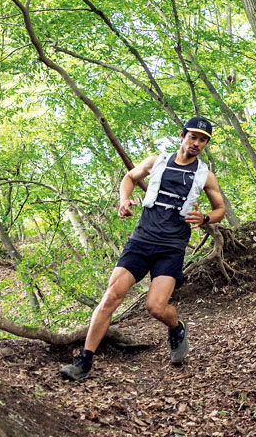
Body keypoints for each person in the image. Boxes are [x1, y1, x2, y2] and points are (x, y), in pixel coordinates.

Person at [60, 117, 226, 381]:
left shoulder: (205, 175)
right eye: (193, 137)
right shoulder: (156, 161)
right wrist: (124, 200)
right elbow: (129, 177)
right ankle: (85, 360)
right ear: (182, 135)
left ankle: (177, 327)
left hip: (171, 246)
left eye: (203, 140)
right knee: (112, 296)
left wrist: (205, 218)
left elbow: (220, 209)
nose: (197, 143)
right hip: (141, 240)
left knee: (156, 307)